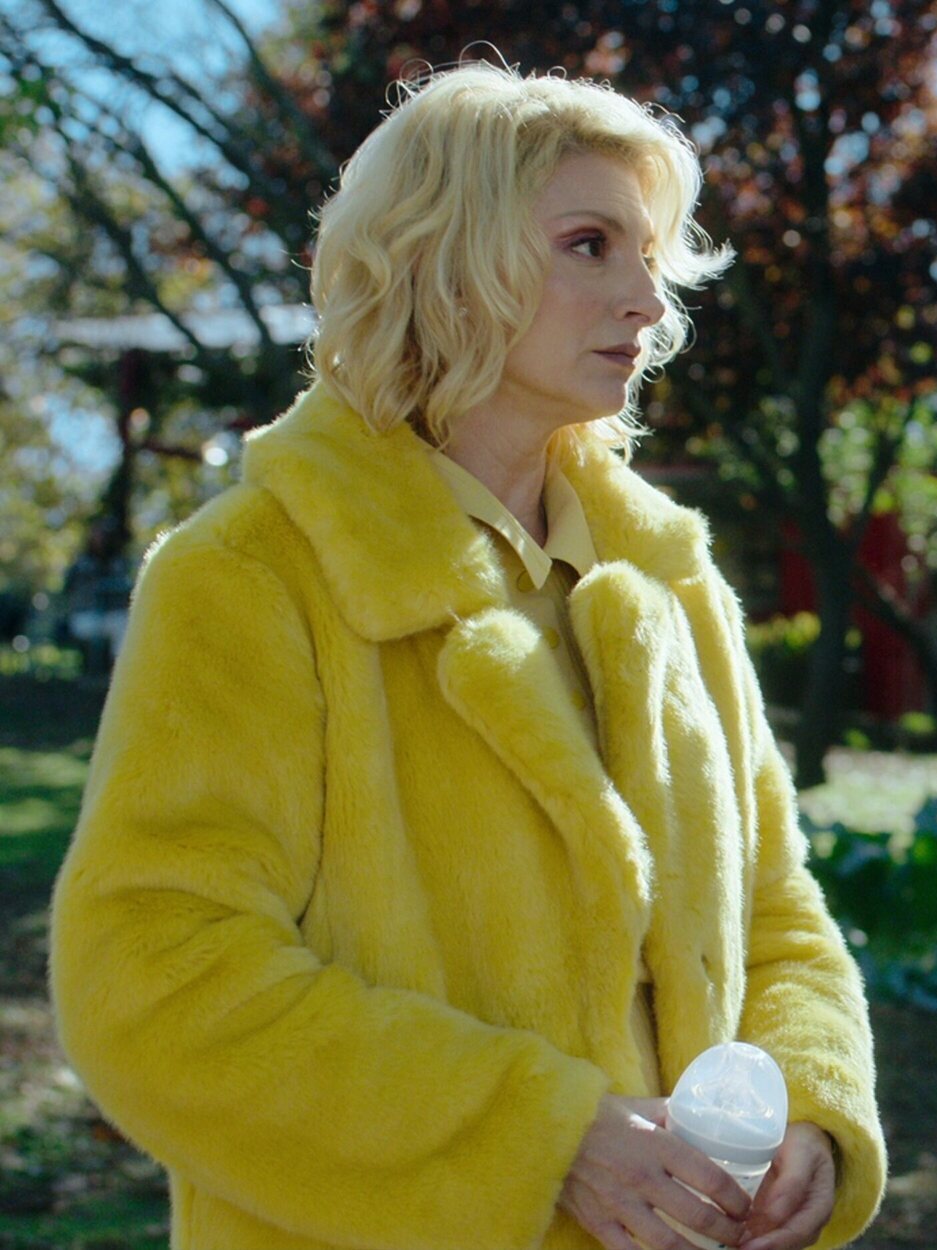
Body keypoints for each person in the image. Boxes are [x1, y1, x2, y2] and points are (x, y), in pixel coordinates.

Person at [49, 63, 885, 1250]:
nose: (648, 298)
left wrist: (807, 1106)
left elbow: (777, 910)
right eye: (590, 245)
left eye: (650, 254)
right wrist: (536, 1135)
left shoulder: (671, 579)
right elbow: (154, 976)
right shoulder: (249, 572)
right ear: (443, 259)